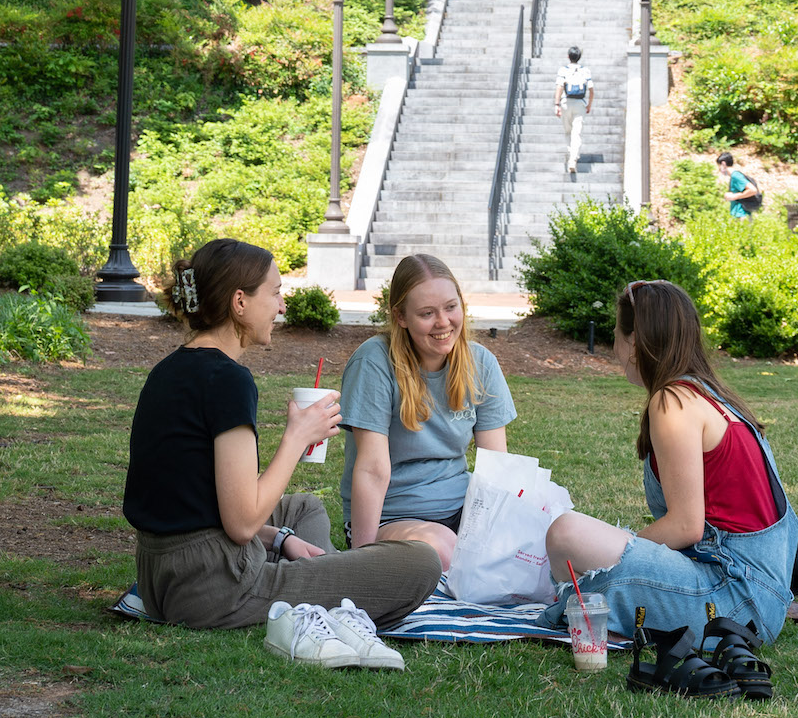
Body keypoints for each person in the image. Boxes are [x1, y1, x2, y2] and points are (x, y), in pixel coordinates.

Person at [123, 238, 442, 631]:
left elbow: (196, 499)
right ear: (239, 302)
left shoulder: (170, 368)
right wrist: (296, 438)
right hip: (217, 588)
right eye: (275, 293)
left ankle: (326, 579)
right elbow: (241, 524)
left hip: (161, 577)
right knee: (420, 561)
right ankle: (335, 595)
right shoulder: (228, 380)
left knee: (303, 509)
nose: (282, 306)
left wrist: (280, 538)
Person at [543, 279, 798, 643]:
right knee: (580, 542)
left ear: (635, 342)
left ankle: (571, 598)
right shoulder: (711, 395)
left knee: (564, 533)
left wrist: (627, 544)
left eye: (616, 334)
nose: (614, 346)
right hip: (761, 597)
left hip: (731, 600)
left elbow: (685, 527)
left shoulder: (672, 403)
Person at [340, 252, 517, 571]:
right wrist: (361, 562)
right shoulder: (374, 363)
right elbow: (372, 471)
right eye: (426, 313)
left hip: (462, 510)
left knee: (550, 538)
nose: (443, 322)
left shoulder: (481, 363)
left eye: (451, 307)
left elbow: (497, 468)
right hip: (392, 515)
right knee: (445, 552)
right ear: (400, 316)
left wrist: (506, 532)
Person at [554, 44, 594, 176]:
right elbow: (591, 89)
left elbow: (559, 87)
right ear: (579, 57)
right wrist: (589, 104)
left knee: (568, 131)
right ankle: (573, 158)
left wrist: (557, 104)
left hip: (566, 103)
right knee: (577, 133)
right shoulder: (585, 71)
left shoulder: (563, 70)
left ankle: (572, 154)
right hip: (580, 104)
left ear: (568, 56)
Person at [717, 150, 762, 218]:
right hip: (739, 214)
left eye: (719, 166)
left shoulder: (736, 176)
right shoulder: (735, 176)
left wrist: (734, 196)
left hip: (741, 215)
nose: (719, 169)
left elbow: (753, 190)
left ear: (723, 164)